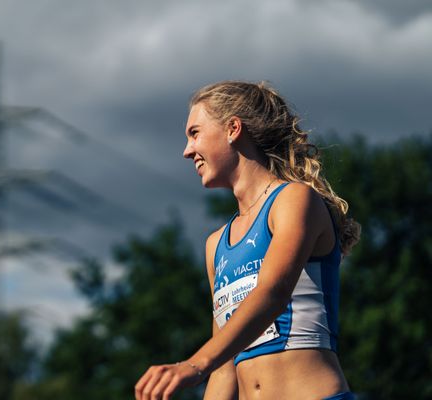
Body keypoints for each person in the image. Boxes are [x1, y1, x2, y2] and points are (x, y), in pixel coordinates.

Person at [134, 81, 361, 400]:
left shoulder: (293, 199)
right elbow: (225, 366)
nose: (187, 151)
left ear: (233, 129)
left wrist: (193, 365)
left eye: (194, 133)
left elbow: (273, 292)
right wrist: (206, 368)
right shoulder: (216, 244)